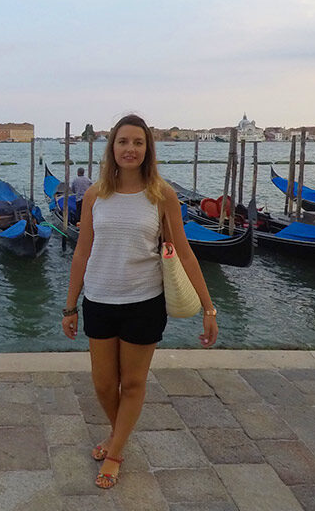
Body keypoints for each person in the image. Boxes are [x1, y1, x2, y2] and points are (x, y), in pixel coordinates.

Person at [61, 114, 218, 490]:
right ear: (111, 148)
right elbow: (82, 252)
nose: (130, 149)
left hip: (144, 303)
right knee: (102, 383)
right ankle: (120, 436)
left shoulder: (161, 195)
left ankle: (115, 451)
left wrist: (208, 308)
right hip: (98, 299)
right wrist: (69, 306)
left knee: (131, 384)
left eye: (138, 142)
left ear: (147, 150)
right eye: (123, 142)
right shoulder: (94, 195)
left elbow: (184, 252)